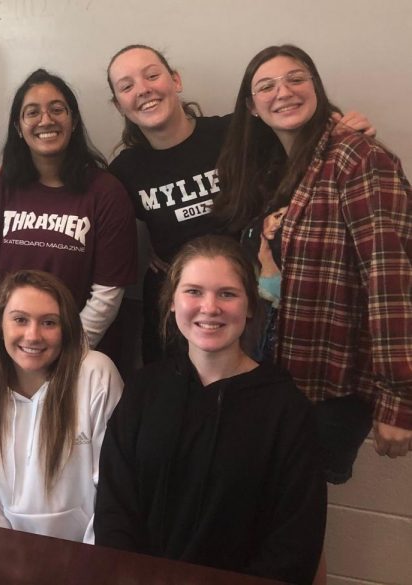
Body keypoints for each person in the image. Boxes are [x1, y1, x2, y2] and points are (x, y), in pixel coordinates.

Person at [105, 44, 374, 365]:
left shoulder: (237, 132)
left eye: (152, 75)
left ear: (175, 80)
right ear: (119, 105)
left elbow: (298, 130)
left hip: (255, 296)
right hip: (176, 305)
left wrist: (341, 130)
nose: (143, 89)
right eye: (127, 86)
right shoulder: (124, 171)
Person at [214, 45, 412, 480]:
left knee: (296, 514)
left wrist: (399, 399)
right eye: (266, 86)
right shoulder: (274, 169)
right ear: (251, 106)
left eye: (296, 79)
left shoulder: (358, 158)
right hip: (281, 371)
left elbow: (392, 282)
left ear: (316, 87)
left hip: (331, 387)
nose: (283, 92)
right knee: (281, 513)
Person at [95, 235, 325, 585]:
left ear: (249, 305)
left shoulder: (286, 410)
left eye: (227, 294)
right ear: (172, 301)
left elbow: (295, 541)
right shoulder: (144, 390)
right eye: (194, 291)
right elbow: (115, 506)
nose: (210, 307)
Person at [0, 69, 137, 357]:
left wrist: (69, 352)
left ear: (73, 121)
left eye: (57, 110)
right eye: (32, 112)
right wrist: (6, 343)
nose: (46, 120)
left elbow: (108, 291)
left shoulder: (106, 192)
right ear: (18, 127)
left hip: (81, 352)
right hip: (13, 349)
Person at [0, 270, 123, 543]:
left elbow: (113, 488)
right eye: (20, 319)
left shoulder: (96, 375)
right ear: (0, 324)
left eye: (49, 323)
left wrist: (90, 561)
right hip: (7, 555)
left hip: (88, 553)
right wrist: (7, 559)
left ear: (66, 327)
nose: (33, 336)